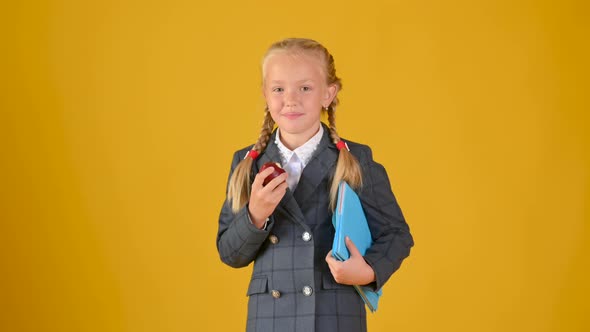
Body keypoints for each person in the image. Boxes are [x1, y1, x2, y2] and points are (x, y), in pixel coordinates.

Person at [216, 37, 414, 332]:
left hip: (333, 315)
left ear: (328, 94)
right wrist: (254, 216)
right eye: (279, 89)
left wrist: (368, 271)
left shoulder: (356, 159)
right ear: (265, 95)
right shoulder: (247, 163)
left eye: (305, 88)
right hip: (270, 320)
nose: (291, 99)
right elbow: (230, 253)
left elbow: (397, 234)